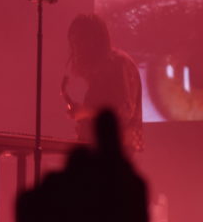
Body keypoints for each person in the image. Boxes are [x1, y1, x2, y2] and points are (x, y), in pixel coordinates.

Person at [61, 13, 144, 153]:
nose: (76, 49)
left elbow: (124, 112)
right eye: (73, 43)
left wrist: (86, 112)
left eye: (79, 42)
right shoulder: (102, 68)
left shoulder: (119, 64)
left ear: (93, 40)